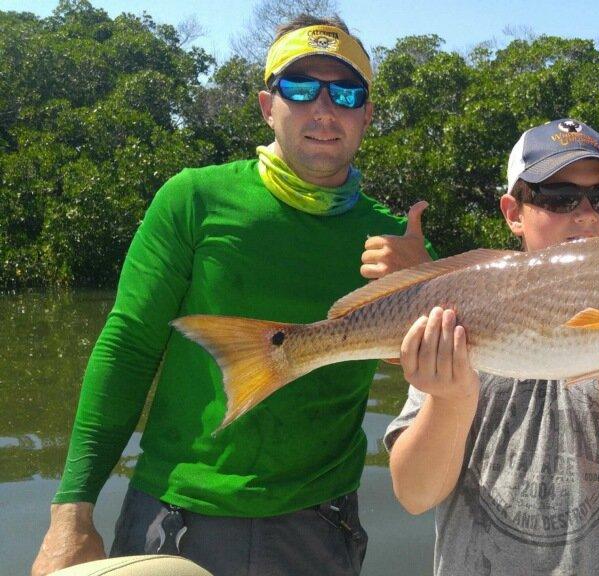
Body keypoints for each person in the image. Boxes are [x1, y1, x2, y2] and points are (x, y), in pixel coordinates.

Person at [32, 14, 433, 576]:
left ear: (366, 115)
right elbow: (126, 349)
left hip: (317, 527)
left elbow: (437, 378)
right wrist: (71, 513)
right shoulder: (194, 199)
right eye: (300, 88)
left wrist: (429, 284)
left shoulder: (401, 243)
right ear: (268, 105)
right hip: (174, 517)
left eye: (345, 93)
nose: (324, 108)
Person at [385, 119, 599, 575]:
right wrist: (450, 399)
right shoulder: (458, 310)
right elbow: (415, 494)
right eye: (558, 197)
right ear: (512, 212)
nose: (586, 214)